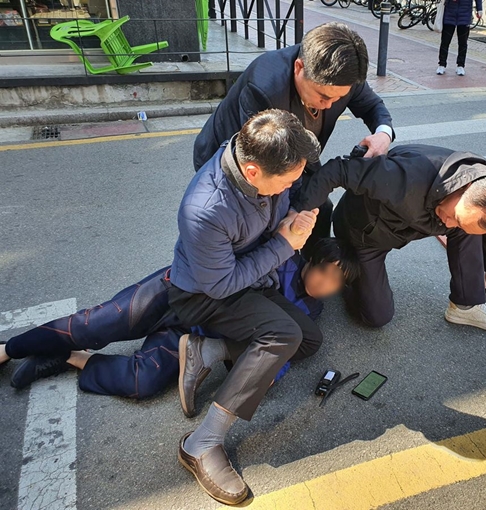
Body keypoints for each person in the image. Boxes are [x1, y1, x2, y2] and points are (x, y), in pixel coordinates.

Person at [1, 110, 322, 506]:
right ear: (253, 171)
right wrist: (284, 245)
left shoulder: (264, 164)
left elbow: (269, 225)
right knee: (96, 324)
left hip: (241, 287)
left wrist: (289, 220)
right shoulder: (205, 207)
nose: (292, 186)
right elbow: (220, 284)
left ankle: (192, 353)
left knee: (304, 338)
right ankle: (10, 349)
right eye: (288, 182)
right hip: (198, 294)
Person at [1, 239, 359, 399]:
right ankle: (9, 347)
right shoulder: (279, 260)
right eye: (323, 272)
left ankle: (64, 357)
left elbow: (280, 344)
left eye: (335, 283)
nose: (324, 285)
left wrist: (270, 373)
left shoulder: (311, 312)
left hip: (191, 334)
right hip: (175, 296)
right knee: (93, 325)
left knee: (143, 383)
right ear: (310, 260)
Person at [193, 22, 395, 246]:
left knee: (318, 209)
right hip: (238, 159)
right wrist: (289, 222)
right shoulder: (265, 88)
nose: (328, 105)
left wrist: (383, 134)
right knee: (255, 228)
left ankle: (308, 272)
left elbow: (372, 107)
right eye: (322, 96)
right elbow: (263, 162)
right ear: (299, 68)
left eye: (338, 98)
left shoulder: (344, 76)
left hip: (296, 157)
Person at [293, 145, 486, 332]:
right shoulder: (405, 178)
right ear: (464, 187)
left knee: (466, 228)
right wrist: (297, 216)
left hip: (407, 225)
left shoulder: (485, 188)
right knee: (377, 317)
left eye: (457, 221)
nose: (447, 226)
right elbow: (338, 170)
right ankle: (347, 274)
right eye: (455, 216)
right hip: (364, 234)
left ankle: (466, 305)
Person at [436, 0, 483, 76]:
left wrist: (479, 9)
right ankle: (442, 64)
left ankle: (460, 65)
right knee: (445, 41)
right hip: (449, 13)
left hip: (465, 14)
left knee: (463, 42)